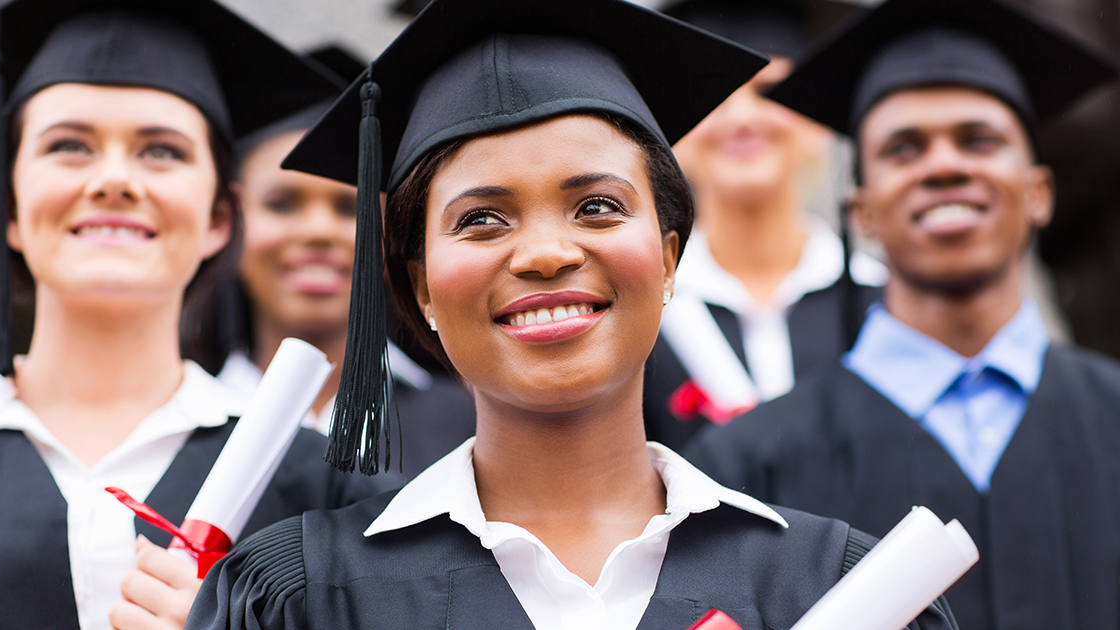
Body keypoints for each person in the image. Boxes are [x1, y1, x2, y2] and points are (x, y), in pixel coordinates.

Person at [186, 1, 957, 628]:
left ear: (669, 257)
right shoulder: (298, 599)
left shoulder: (838, 591)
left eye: (596, 206)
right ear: (418, 285)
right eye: (482, 219)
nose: (546, 253)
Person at [0, 3, 397, 629]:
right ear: (11, 207)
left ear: (219, 219)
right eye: (69, 145)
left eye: (161, 152)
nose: (115, 180)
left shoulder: (323, 489)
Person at [682, 0, 1120, 628]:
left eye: (979, 140)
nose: (945, 166)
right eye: (905, 148)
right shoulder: (743, 466)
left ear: (1039, 193)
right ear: (861, 211)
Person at [217, 46, 477, 478]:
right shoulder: (178, 424)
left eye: (350, 208)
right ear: (226, 220)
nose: (319, 231)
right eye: (281, 204)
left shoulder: (471, 426)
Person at [642, 0, 885, 450]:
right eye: (714, 95)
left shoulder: (885, 306)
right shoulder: (640, 315)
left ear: (816, 121)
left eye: (770, 91)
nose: (741, 118)